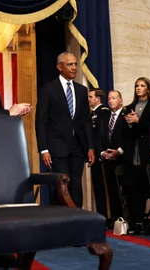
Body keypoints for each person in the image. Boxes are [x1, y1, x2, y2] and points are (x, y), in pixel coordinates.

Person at [35, 52, 95, 208]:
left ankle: (78, 220)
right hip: (57, 146)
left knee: (76, 184)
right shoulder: (48, 89)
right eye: (70, 64)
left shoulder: (82, 90)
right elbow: (41, 120)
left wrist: (90, 147)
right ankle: (61, 220)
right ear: (59, 67)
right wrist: (43, 149)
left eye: (75, 64)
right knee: (62, 185)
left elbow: (86, 121)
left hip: (78, 147)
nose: (74, 67)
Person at [123, 77, 150, 234]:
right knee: (134, 188)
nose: (139, 88)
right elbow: (124, 132)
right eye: (137, 85)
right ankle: (136, 221)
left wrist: (138, 120)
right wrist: (129, 123)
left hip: (147, 151)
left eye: (142, 86)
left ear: (148, 89)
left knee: (149, 187)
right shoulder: (129, 107)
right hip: (132, 152)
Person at [97, 90, 129, 222]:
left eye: (114, 98)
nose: (110, 101)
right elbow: (98, 137)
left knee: (125, 189)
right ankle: (116, 218)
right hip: (107, 159)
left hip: (122, 159)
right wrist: (102, 153)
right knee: (111, 190)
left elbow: (129, 137)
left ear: (121, 100)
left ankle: (126, 219)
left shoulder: (126, 115)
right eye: (109, 98)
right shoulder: (104, 117)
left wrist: (119, 151)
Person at [88, 88, 110, 217]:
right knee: (97, 185)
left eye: (91, 96)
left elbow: (101, 135)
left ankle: (106, 215)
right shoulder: (92, 114)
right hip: (94, 154)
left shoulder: (103, 113)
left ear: (98, 99)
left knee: (103, 186)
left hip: (101, 154)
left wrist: (101, 151)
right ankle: (101, 214)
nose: (89, 99)